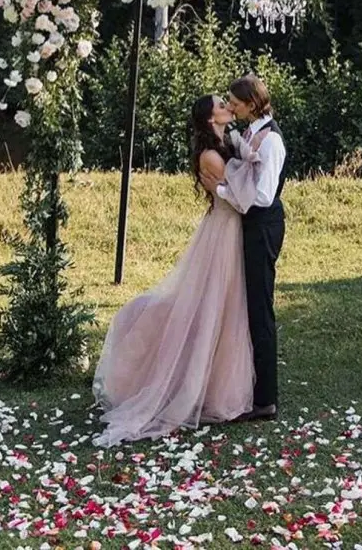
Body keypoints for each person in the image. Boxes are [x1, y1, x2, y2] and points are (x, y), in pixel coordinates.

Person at [91, 94, 262, 447]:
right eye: (221, 105)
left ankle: (212, 384)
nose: (227, 107)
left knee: (225, 308)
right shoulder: (211, 155)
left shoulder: (225, 145)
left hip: (229, 229)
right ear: (210, 118)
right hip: (223, 231)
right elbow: (240, 195)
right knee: (213, 306)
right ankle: (186, 382)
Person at [201, 74, 286, 421]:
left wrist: (221, 191)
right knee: (250, 306)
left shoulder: (271, 141)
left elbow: (262, 196)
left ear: (251, 104)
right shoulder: (251, 132)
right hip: (251, 225)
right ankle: (251, 384)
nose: (231, 107)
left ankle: (266, 399)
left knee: (260, 308)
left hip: (263, 226)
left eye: (235, 103)